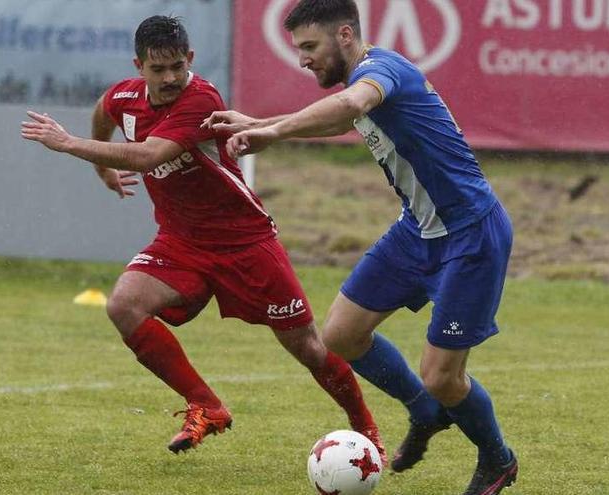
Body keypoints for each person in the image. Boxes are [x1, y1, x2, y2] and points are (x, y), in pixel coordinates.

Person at [20, 14, 385, 461]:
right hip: (181, 243)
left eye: (178, 65)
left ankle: (365, 429)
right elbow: (104, 111)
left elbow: (151, 155)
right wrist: (103, 168)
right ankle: (207, 406)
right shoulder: (125, 96)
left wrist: (69, 144)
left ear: (189, 58)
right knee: (124, 305)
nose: (171, 77)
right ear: (139, 66)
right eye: (159, 70)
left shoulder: (201, 99)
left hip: (245, 243)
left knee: (308, 347)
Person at [203, 1, 517, 493]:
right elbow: (341, 119)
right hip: (417, 231)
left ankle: (497, 459)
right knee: (342, 336)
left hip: (470, 233)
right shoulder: (363, 83)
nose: (303, 59)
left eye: (310, 46)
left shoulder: (381, 70)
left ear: (345, 35)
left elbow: (349, 108)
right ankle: (425, 412)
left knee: (441, 375)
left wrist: (274, 131)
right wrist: (258, 122)